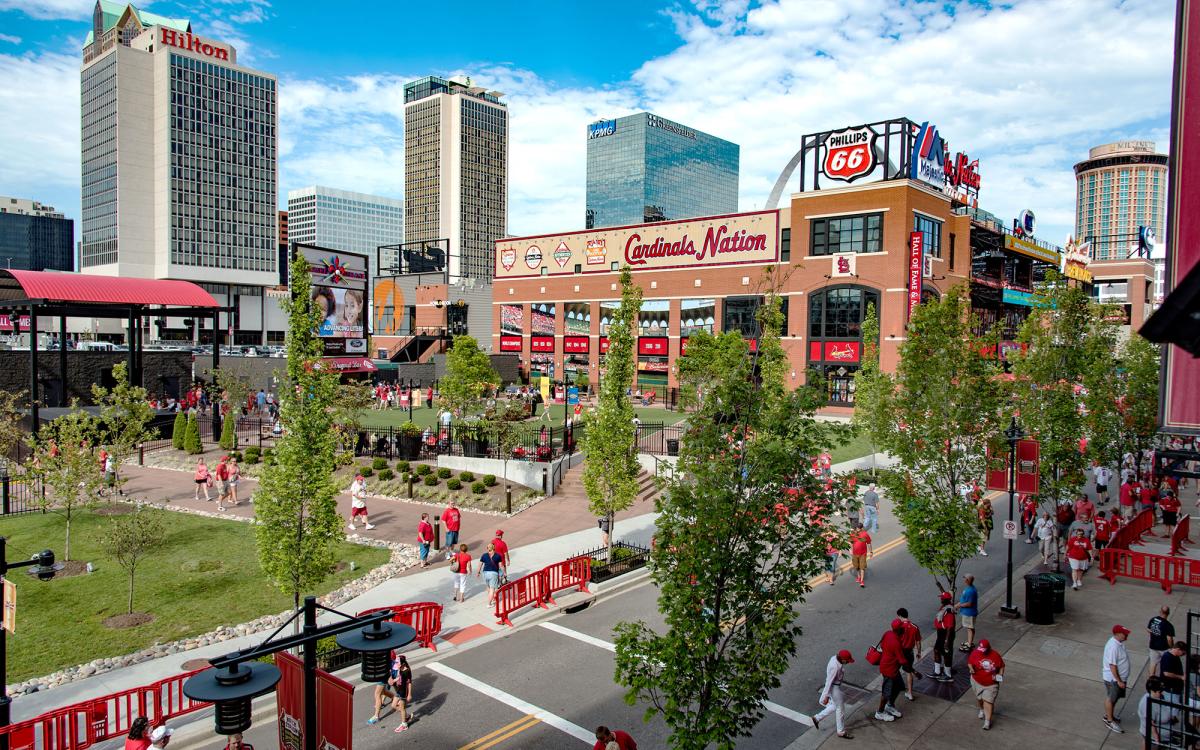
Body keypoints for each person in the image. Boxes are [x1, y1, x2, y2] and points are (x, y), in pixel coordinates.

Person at [812, 649, 855, 739]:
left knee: (835, 706)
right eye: (847, 660)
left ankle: (817, 718)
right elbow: (829, 682)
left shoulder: (834, 658)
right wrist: (826, 696)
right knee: (840, 709)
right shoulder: (835, 667)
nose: (847, 662)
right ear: (842, 659)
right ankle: (841, 731)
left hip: (834, 687)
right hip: (834, 688)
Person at [874, 618, 908, 722]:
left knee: (899, 686)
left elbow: (883, 645)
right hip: (889, 670)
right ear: (898, 630)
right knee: (886, 693)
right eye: (902, 627)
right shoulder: (896, 643)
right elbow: (902, 660)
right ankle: (879, 712)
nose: (903, 629)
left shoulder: (888, 633)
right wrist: (914, 671)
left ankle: (889, 705)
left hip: (891, 668)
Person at [967, 639, 1005, 730]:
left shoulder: (995, 655)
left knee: (988, 701)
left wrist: (1000, 675)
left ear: (988, 648)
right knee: (980, 699)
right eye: (980, 649)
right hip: (977, 681)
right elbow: (970, 663)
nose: (981, 651)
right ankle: (982, 709)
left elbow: (1002, 666)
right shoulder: (975, 653)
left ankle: (987, 722)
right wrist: (971, 668)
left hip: (991, 684)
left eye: (983, 649)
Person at [1103, 624, 1132, 733]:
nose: (1127, 635)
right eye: (1125, 634)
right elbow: (1112, 665)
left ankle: (1109, 715)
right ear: (1118, 634)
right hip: (1113, 680)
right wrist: (1118, 681)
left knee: (1115, 698)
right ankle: (1109, 720)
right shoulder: (1113, 647)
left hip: (1119, 679)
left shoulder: (1119, 643)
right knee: (1111, 698)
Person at [1138, 675, 1178, 745]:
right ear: (1152, 691)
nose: (1162, 693)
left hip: (1166, 736)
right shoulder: (1147, 704)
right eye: (1159, 691)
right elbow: (1150, 723)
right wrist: (1156, 738)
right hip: (1155, 739)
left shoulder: (1159, 698)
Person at [896, 607, 922, 701]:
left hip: (899, 651)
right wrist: (918, 652)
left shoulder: (899, 627)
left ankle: (897, 686)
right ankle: (910, 693)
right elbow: (918, 642)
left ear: (899, 616)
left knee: (895, 669)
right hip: (909, 652)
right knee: (908, 672)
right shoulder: (914, 627)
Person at [932, 591, 956, 682]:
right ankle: (937, 672)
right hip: (940, 633)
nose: (941, 599)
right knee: (937, 650)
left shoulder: (949, 612)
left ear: (946, 600)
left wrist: (947, 641)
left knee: (946, 654)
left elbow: (950, 627)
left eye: (942, 598)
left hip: (946, 634)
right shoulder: (944, 607)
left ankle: (948, 675)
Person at [1148, 606, 1176, 675]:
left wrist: (1154, 633)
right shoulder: (1168, 625)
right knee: (1165, 665)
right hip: (1163, 648)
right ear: (1168, 613)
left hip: (1153, 646)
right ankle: (1163, 679)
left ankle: (1151, 680)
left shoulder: (1153, 619)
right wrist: (1171, 647)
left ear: (1160, 611)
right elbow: (1169, 639)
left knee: (1153, 663)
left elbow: (1148, 629)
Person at [956, 574, 979, 652]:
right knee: (970, 628)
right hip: (968, 612)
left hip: (969, 613)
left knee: (970, 628)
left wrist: (959, 606)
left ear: (968, 580)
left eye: (965, 578)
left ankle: (969, 645)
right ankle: (969, 642)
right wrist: (958, 605)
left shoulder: (970, 591)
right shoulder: (969, 588)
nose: (964, 580)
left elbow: (969, 603)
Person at [391, 654, 413, 733]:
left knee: (402, 707)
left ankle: (404, 725)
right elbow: (399, 677)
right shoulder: (400, 669)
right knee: (393, 705)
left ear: (403, 663)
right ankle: (407, 716)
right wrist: (394, 681)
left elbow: (409, 683)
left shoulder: (407, 671)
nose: (396, 664)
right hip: (399, 690)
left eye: (397, 663)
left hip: (404, 692)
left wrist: (409, 694)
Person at [849, 521, 872, 588]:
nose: (857, 529)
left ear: (861, 528)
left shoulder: (865, 534)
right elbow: (850, 542)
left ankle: (861, 581)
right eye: (857, 528)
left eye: (859, 528)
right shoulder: (853, 534)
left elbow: (869, 543)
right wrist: (850, 550)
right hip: (855, 553)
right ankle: (859, 577)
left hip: (863, 553)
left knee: (862, 567)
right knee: (857, 567)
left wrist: (871, 552)